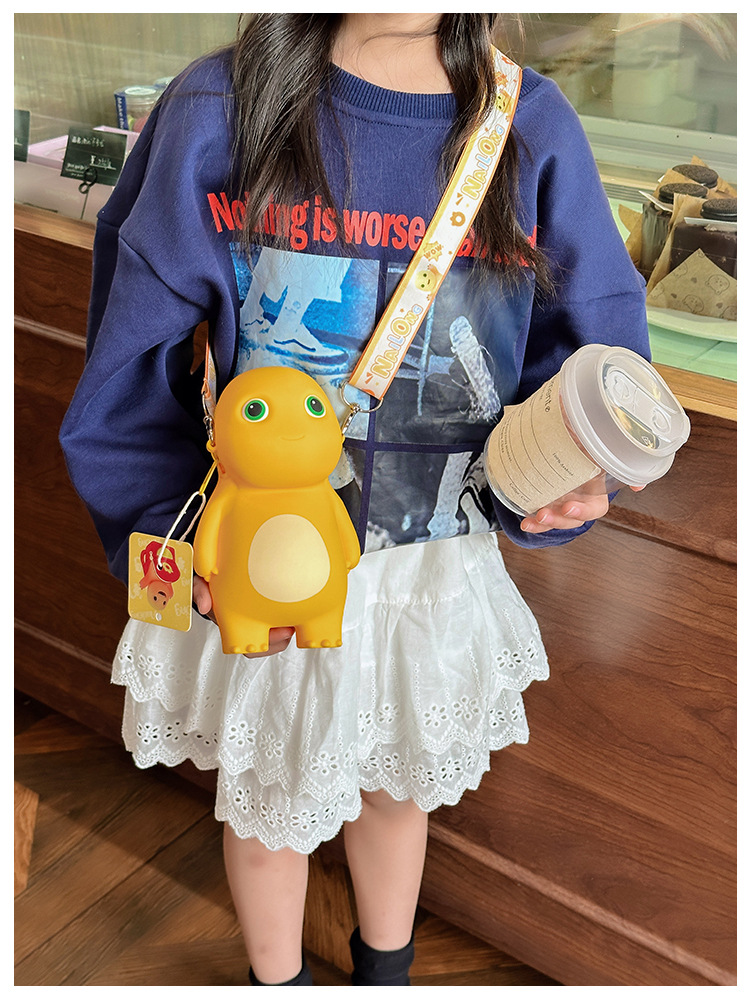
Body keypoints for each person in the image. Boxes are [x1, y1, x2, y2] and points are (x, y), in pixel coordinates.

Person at [59, 13, 650, 987]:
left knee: (396, 790)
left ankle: (387, 973)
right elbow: (130, 370)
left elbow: (592, 355)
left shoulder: (532, 127)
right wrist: (160, 535)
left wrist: (571, 476)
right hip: (263, 575)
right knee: (267, 806)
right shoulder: (217, 110)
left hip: (431, 575)